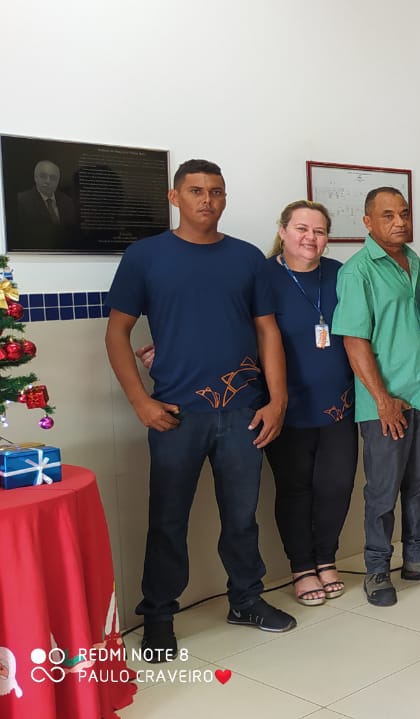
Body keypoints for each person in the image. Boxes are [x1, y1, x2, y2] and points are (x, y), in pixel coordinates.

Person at [105, 159, 295, 663]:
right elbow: (117, 333)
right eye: (195, 191)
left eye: (216, 191)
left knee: (242, 517)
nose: (207, 200)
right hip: (175, 414)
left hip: (243, 412)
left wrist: (277, 401)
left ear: (225, 198)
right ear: (175, 197)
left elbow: (268, 331)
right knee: (167, 520)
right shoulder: (146, 257)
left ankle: (246, 600)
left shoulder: (248, 258)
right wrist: (140, 401)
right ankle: (159, 617)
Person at [332, 187, 420, 608]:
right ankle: (377, 569)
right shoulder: (358, 271)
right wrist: (382, 399)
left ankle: (417, 556)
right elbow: (354, 340)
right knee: (382, 490)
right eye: (388, 215)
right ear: (368, 222)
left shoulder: (413, 261)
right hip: (385, 403)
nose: (399, 222)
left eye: (404, 213)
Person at [257, 200, 357, 605]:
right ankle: (302, 567)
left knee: (336, 485)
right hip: (286, 404)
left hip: (338, 403)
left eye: (318, 231)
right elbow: (232, 327)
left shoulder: (340, 274)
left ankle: (326, 559)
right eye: (301, 229)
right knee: (295, 488)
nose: (310, 238)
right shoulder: (263, 276)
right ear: (283, 231)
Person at [16, 160, 79, 227]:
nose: (48, 181)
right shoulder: (21, 200)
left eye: (53, 177)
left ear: (58, 181)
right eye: (43, 176)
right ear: (35, 178)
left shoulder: (67, 202)